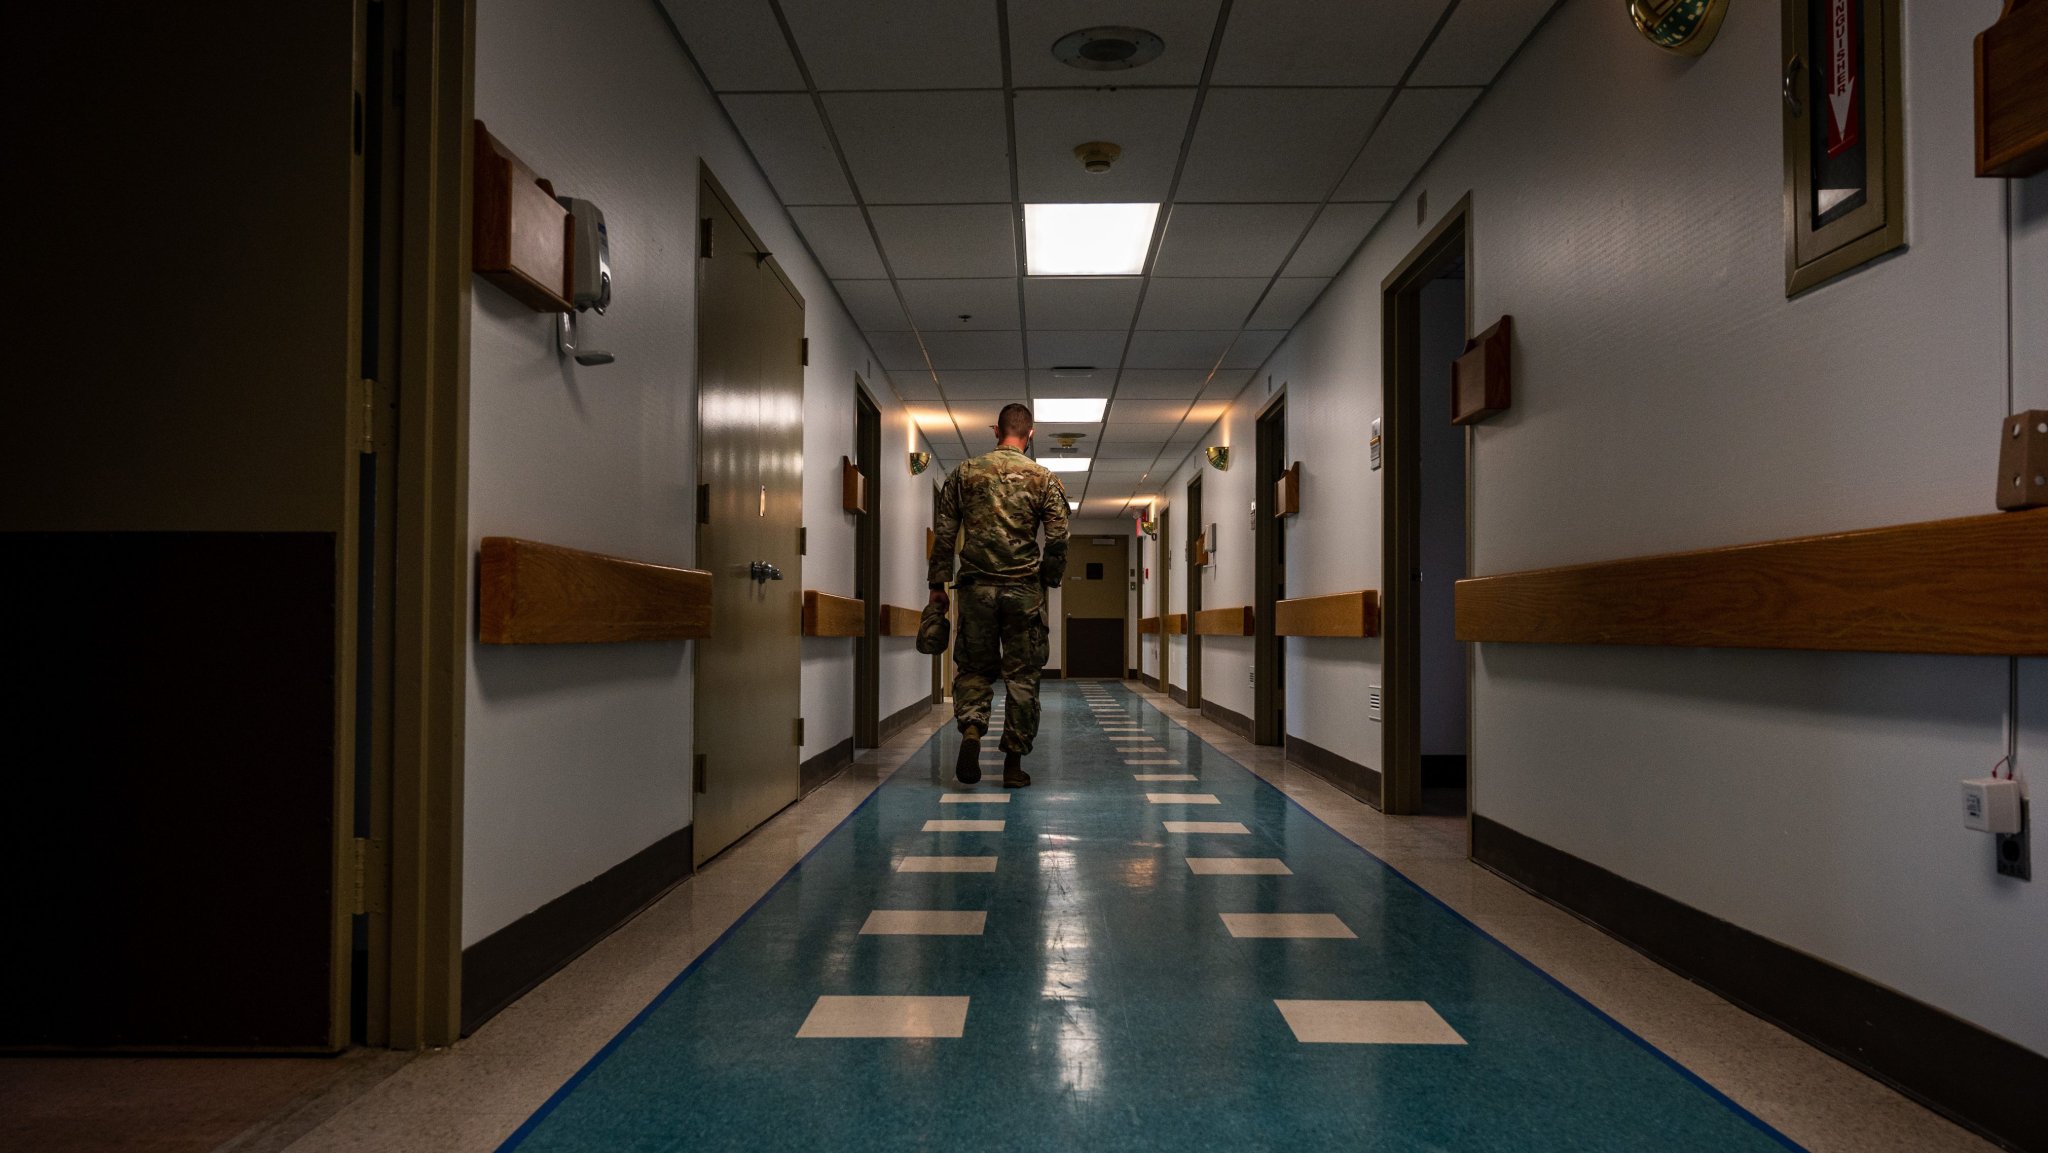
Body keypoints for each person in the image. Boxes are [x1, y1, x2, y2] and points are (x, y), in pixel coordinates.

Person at [927, 402, 1070, 787]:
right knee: (1023, 676)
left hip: (976, 590)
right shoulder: (1044, 479)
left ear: (995, 431)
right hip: (1024, 591)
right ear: (1031, 434)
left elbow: (943, 532)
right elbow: (1058, 538)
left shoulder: (964, 474)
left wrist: (937, 586)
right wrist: (1048, 579)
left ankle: (972, 733)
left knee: (974, 668)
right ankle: (1012, 765)